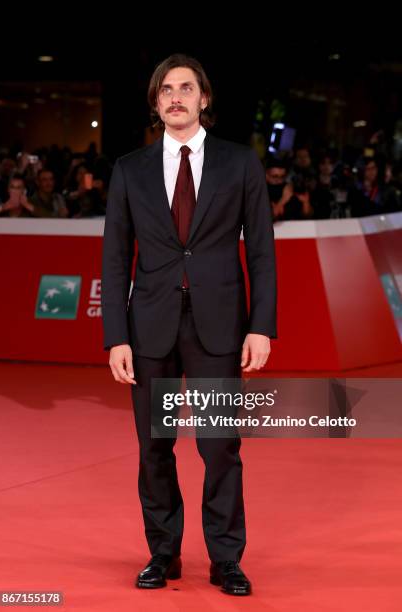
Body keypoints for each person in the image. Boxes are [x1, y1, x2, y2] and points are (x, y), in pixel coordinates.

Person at [101, 53, 277, 596]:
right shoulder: (129, 169)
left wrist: (260, 326)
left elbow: (263, 252)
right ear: (156, 104)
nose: (175, 97)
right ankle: (162, 553)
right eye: (165, 90)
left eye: (186, 87)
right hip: (149, 325)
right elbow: (114, 256)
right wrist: (116, 336)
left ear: (204, 98)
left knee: (220, 446)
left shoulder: (240, 163)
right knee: (154, 447)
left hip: (219, 326)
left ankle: (227, 559)